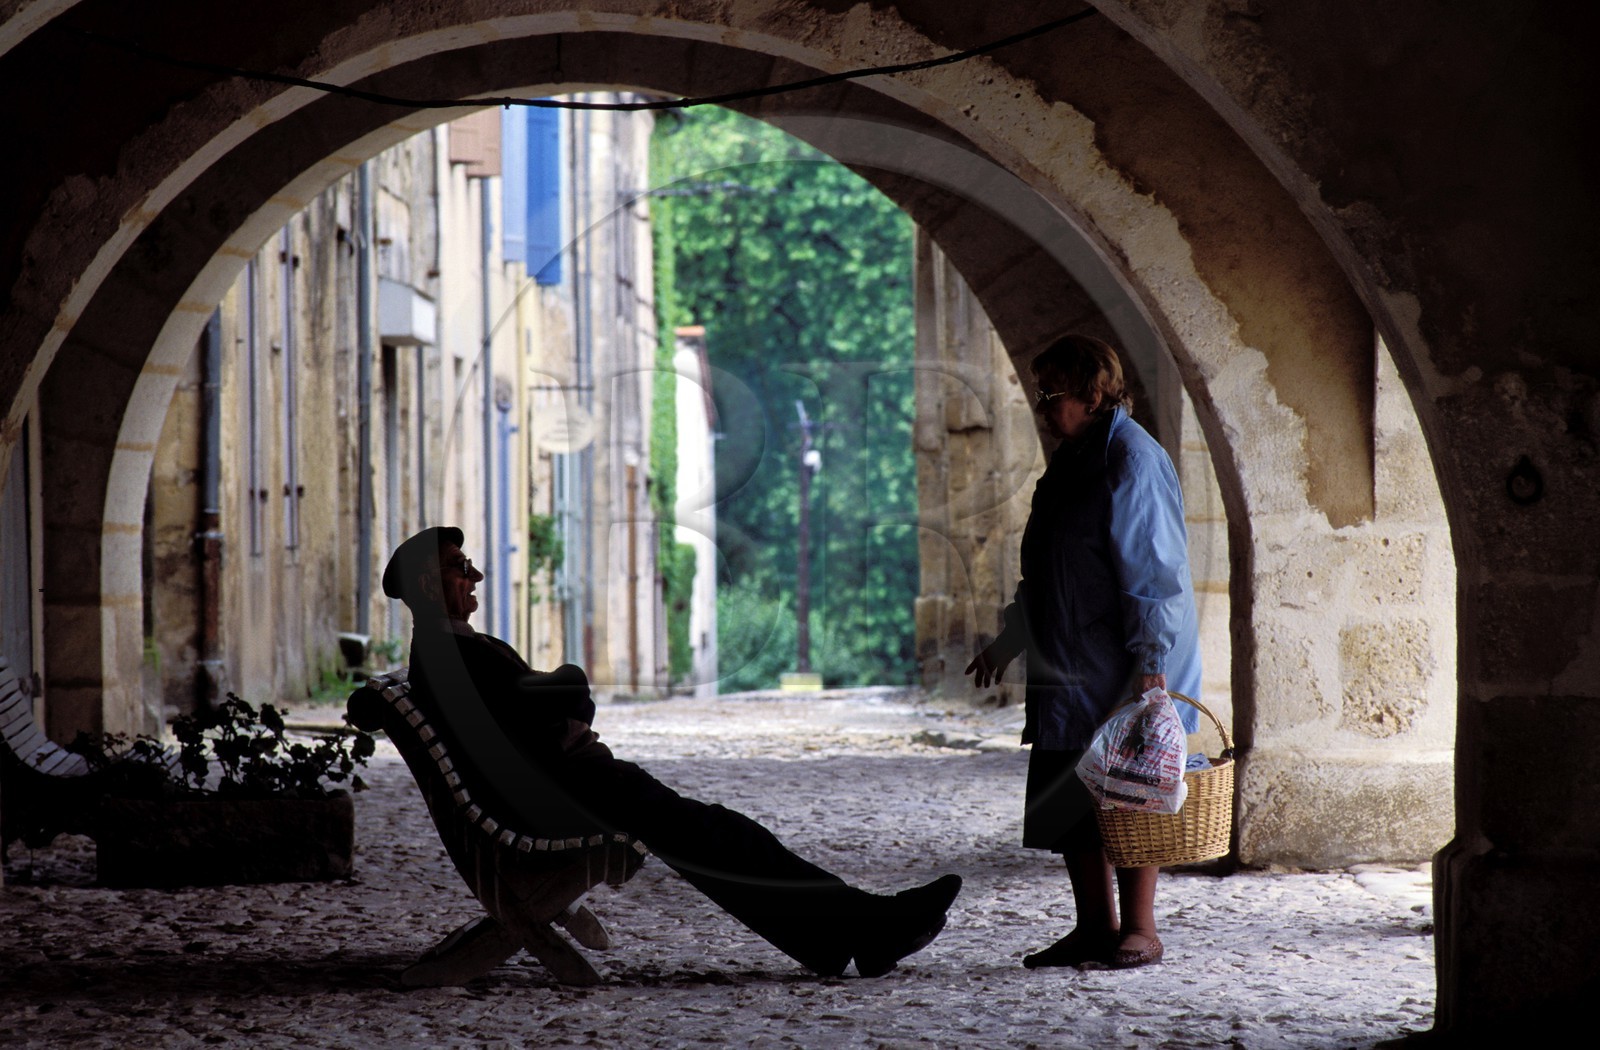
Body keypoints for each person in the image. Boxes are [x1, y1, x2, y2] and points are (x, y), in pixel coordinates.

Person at [382, 525, 961, 978]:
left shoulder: (453, 651)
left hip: (569, 788)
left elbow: (539, 704)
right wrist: (570, 690)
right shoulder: (451, 656)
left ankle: (856, 931)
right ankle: (865, 928)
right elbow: (544, 705)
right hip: (569, 798)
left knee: (725, 837)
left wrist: (563, 696)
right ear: (431, 586)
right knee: (722, 839)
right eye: (461, 569)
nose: (476, 575)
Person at [965, 333, 1201, 970]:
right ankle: (1094, 925)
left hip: (1118, 660)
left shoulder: (1130, 460)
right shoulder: (1072, 460)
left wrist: (1151, 667)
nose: (1042, 405)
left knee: (1130, 790)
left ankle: (1141, 929)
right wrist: (1013, 638)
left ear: (1094, 394)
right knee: (1073, 791)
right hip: (1068, 658)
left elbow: (1156, 571)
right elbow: (1048, 568)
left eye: (1052, 393)